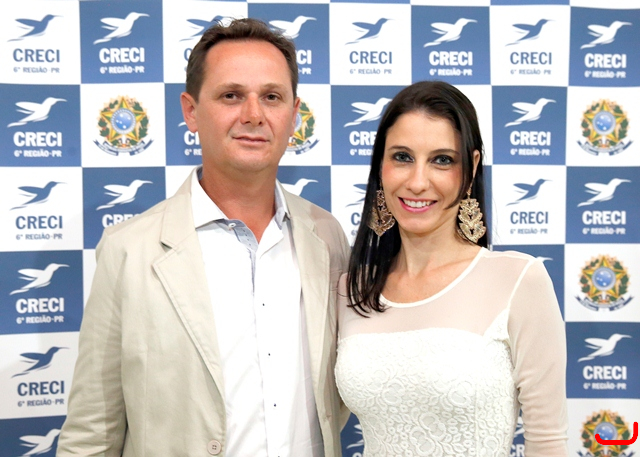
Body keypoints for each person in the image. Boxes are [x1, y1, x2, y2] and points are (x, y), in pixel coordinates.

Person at [57, 19, 350, 457]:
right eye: (231, 95)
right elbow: (92, 434)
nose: (253, 114)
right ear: (191, 111)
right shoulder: (128, 251)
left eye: (271, 97)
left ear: (293, 114)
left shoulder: (326, 236)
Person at [335, 81, 568, 456]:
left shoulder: (518, 280)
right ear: (380, 165)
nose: (417, 182)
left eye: (442, 160)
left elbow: (548, 442)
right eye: (402, 157)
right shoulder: (351, 290)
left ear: (471, 168)